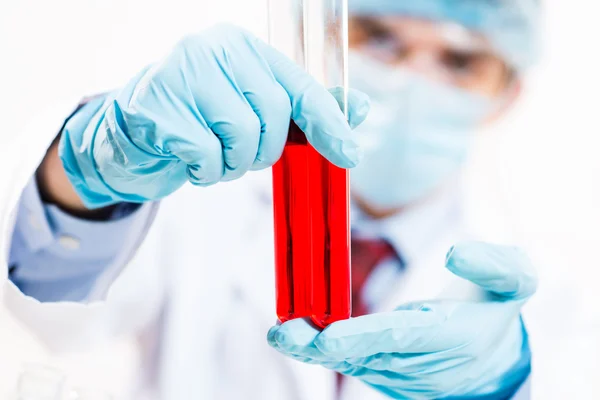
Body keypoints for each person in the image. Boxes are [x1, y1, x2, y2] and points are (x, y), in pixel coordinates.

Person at [0, 0, 541, 399]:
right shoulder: (202, 189)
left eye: (459, 62)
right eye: (380, 39)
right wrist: (89, 173)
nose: (409, 82)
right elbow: (50, 308)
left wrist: (506, 380)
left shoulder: (554, 284)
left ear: (506, 95)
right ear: (328, 44)